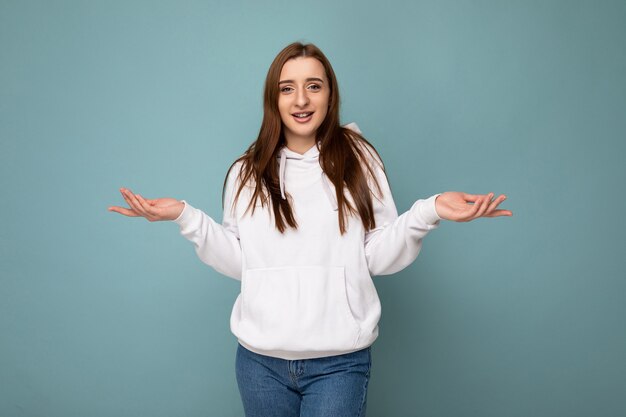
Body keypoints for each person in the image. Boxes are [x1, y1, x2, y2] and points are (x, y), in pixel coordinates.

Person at [108, 41, 512, 417]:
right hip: (259, 363)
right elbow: (242, 263)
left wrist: (430, 210)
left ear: (330, 95)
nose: (301, 100)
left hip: (339, 362)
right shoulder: (245, 172)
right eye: (287, 88)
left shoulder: (360, 159)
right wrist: (186, 217)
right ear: (274, 99)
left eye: (313, 86)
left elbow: (376, 256)